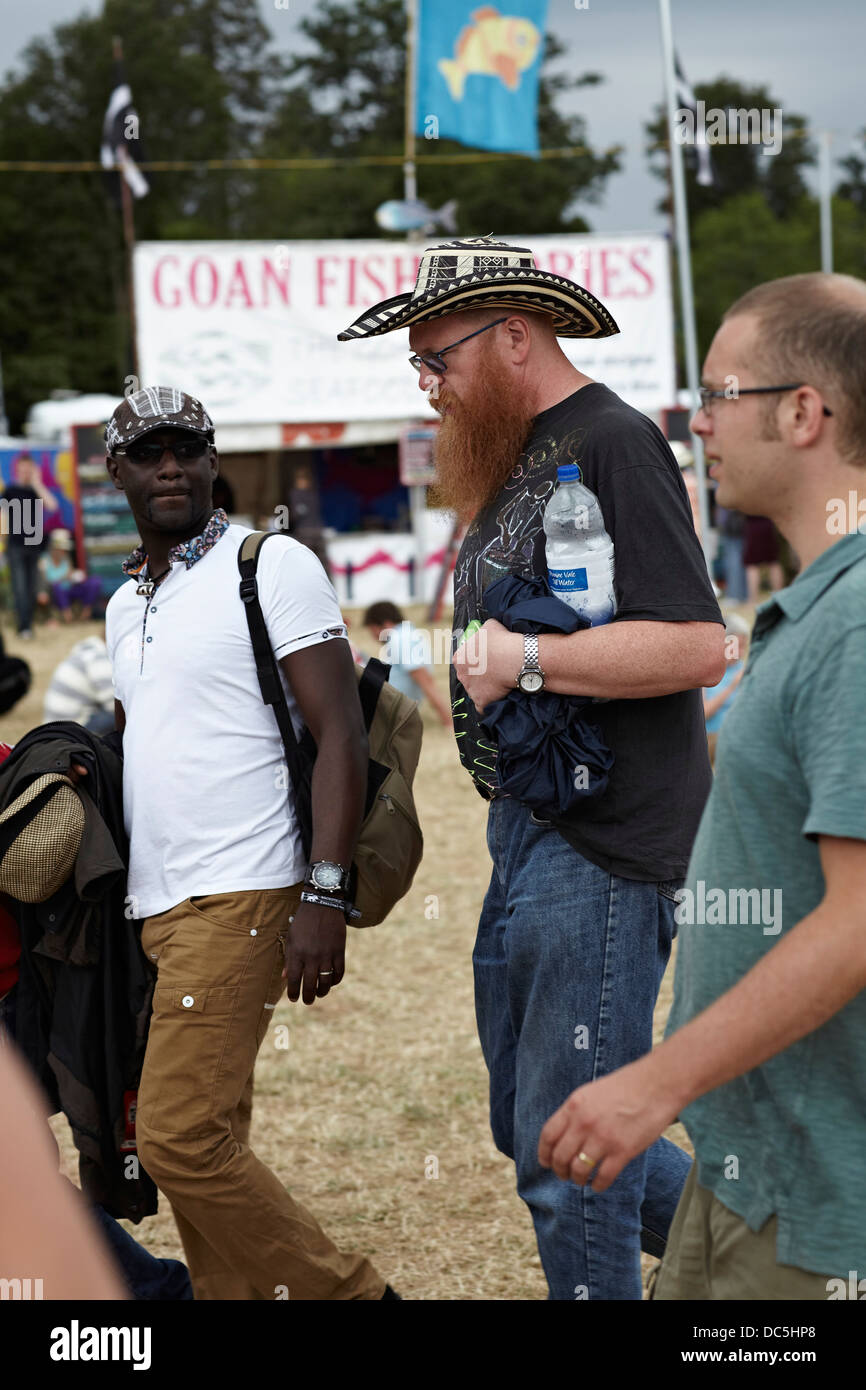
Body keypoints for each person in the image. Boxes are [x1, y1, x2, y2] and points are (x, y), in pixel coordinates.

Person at [339, 238, 725, 1300]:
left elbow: (698, 643)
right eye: (416, 367)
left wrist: (529, 657)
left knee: (572, 1161)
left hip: (603, 844)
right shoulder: (514, 452)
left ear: (513, 335)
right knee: (534, 1124)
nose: (426, 386)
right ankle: (764, 1245)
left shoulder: (610, 440)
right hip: (527, 833)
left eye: (437, 360)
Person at [538, 271, 866, 1300]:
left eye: (716, 394)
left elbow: (856, 921)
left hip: (814, 1205)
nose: (695, 422)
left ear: (803, 412)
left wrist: (651, 1084)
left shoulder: (854, 623)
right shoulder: (821, 606)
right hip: (752, 1160)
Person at [103, 385, 396, 1301]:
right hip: (156, 904)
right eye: (148, 453)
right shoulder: (124, 604)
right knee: (211, 1142)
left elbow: (340, 734)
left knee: (177, 1139)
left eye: (186, 449)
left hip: (247, 890)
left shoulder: (267, 566)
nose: (169, 468)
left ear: (211, 457)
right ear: (117, 470)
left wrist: (323, 892)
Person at [363, 601, 452, 727]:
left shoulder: (401, 640)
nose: (373, 636)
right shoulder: (408, 634)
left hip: (389, 711)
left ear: (386, 624)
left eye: (373, 630)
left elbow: (425, 681)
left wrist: (448, 722)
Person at [1, 454, 59, 638]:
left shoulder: (35, 490)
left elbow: (52, 505)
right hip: (15, 546)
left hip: (33, 546)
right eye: (22, 469)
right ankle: (24, 627)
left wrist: (37, 482)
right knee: (20, 587)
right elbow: (2, 518)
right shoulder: (10, 491)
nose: (25, 473)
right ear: (17, 470)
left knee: (32, 587)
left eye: (29, 469)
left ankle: (27, 626)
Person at [42, 630, 116, 733]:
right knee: (122, 719)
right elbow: (113, 706)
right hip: (71, 727)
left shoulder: (87, 649)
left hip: (55, 725)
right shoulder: (99, 658)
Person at [702, 612, 749, 765]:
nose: (741, 653)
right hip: (710, 738)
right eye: (738, 646)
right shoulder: (707, 671)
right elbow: (704, 713)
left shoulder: (743, 669)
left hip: (737, 737)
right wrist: (732, 686)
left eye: (744, 647)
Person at [36, 528, 102, 623]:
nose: (63, 551)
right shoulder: (44, 560)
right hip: (54, 593)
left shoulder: (66, 559)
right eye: (61, 549)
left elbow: (70, 574)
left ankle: (85, 614)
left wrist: (74, 576)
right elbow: (44, 581)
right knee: (57, 587)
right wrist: (63, 577)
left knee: (94, 582)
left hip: (69, 589)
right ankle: (67, 617)